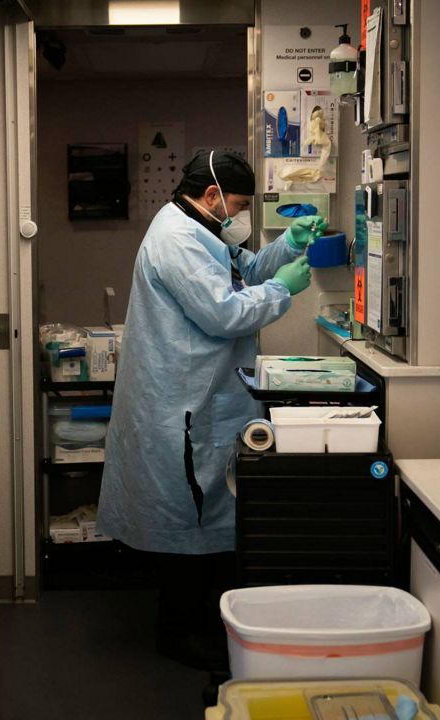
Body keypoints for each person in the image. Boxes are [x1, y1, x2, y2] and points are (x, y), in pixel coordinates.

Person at [97, 150, 326, 670]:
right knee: (188, 516)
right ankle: (177, 633)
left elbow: (242, 267)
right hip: (182, 402)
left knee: (205, 515)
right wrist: (281, 290)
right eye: (240, 205)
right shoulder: (177, 239)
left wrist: (287, 244)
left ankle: (203, 620)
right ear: (213, 196)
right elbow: (224, 311)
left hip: (203, 397)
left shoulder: (201, 227)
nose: (240, 216)